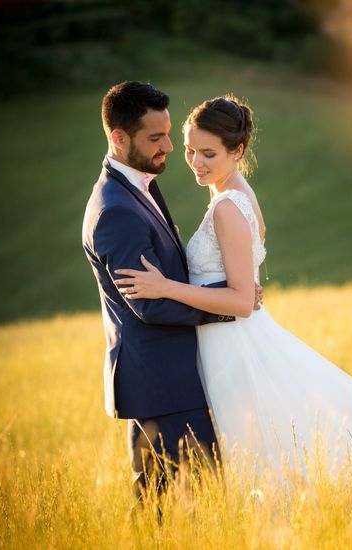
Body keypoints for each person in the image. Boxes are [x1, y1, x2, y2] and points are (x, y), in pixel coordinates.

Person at [113, 95, 352, 485]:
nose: (196, 163)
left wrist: (166, 287)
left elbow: (240, 301)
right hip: (225, 340)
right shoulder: (233, 194)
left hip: (234, 345)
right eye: (190, 151)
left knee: (269, 453)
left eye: (209, 154)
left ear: (237, 150)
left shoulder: (229, 207)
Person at [81, 82, 261, 502]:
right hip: (162, 388)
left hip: (179, 382)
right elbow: (152, 303)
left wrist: (232, 292)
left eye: (167, 135)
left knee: (186, 511)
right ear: (119, 138)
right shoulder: (115, 210)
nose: (168, 148)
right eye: (156, 138)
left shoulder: (137, 184)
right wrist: (232, 302)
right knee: (173, 513)